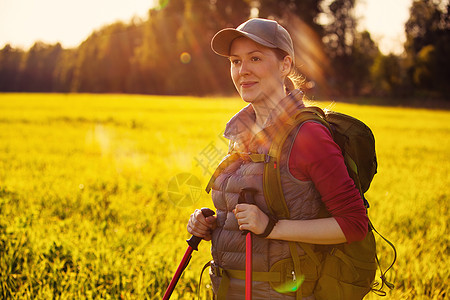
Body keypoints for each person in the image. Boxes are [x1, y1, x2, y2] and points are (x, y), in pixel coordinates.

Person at [187, 18, 368, 300]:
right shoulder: (242, 132)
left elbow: (354, 224)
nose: (242, 71)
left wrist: (272, 227)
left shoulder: (308, 136)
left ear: (285, 65)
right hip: (226, 286)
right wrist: (211, 222)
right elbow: (250, 210)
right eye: (235, 61)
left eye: (255, 58)